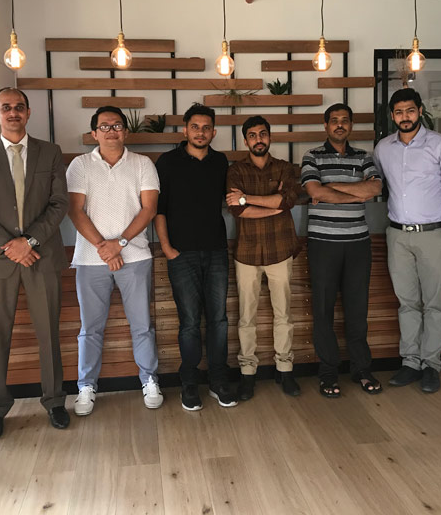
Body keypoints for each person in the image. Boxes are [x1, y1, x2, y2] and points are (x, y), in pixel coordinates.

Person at [0, 88, 70, 440]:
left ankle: (55, 401)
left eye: (19, 107)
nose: (13, 112)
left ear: (29, 112)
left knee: (48, 333)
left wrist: (30, 241)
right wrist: (9, 245)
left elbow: (59, 203)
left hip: (42, 255)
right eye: (6, 107)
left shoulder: (50, 152)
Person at [66, 106, 163, 415]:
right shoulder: (80, 165)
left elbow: (149, 209)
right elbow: (75, 210)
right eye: (104, 126)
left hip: (135, 256)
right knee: (90, 328)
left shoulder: (143, 164)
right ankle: (86, 386)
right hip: (90, 259)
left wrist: (119, 244)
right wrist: (103, 247)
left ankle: (149, 379)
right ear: (94, 133)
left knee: (142, 325)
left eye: (117, 125)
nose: (111, 131)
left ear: (126, 131)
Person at [373, 88, 441, 394]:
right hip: (397, 235)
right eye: (399, 112)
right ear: (392, 115)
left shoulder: (440, 144)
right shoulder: (383, 148)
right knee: (407, 303)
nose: (405, 117)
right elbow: (375, 184)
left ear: (420, 111)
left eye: (410, 111)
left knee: (434, 304)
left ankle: (431, 365)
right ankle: (410, 362)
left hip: (434, 235)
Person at [154, 104, 236, 410]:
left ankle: (218, 379)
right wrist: (167, 248)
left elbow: (231, 199)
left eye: (206, 128)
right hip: (181, 253)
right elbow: (159, 209)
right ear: (185, 130)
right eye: (195, 127)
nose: (200, 132)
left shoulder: (221, 161)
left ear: (213, 132)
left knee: (219, 320)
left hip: (216, 251)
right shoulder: (167, 162)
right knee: (189, 322)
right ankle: (189, 382)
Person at [300, 103, 382, 399]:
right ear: (326, 125)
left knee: (357, 310)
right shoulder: (312, 156)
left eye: (344, 120)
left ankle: (361, 369)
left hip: (358, 243)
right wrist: (355, 191)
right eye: (334, 120)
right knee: (323, 310)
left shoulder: (364, 156)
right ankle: (328, 372)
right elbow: (314, 191)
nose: (339, 124)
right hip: (323, 243)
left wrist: (332, 187)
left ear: (351, 125)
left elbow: (374, 189)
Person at [226, 116, 302, 400]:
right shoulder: (235, 171)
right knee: (246, 317)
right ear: (246, 140)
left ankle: (285, 369)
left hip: (280, 250)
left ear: (270, 137)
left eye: (263, 134)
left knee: (284, 314)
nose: (258, 139)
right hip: (247, 253)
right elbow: (238, 210)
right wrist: (275, 205)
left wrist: (246, 197)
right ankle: (248, 373)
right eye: (253, 135)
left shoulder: (285, 168)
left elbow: (288, 200)